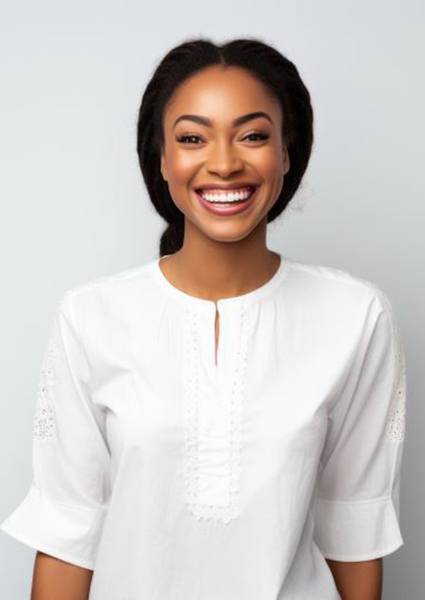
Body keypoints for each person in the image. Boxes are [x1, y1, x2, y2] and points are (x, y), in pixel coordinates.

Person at [0, 38, 407, 600]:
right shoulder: (90, 318)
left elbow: (354, 528)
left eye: (253, 135)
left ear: (287, 153)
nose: (223, 162)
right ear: (162, 158)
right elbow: (69, 536)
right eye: (192, 138)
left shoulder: (355, 316)